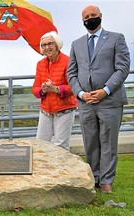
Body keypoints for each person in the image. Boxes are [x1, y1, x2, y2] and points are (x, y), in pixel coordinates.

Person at [67, 5, 130, 193]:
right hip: (86, 102)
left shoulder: (116, 38)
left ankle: (106, 181)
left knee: (109, 142)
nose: (90, 18)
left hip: (110, 101)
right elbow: (71, 73)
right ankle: (93, 177)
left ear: (100, 16)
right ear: (82, 20)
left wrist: (106, 90)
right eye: (86, 16)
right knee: (90, 142)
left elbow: (123, 68)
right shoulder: (76, 44)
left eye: (93, 15)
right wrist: (80, 93)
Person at [32, 31, 77, 151]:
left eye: (50, 44)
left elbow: (74, 86)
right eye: (43, 45)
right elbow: (35, 88)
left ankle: (63, 170)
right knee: (40, 145)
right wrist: (43, 90)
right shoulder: (40, 64)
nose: (47, 47)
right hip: (45, 110)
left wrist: (56, 89)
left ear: (57, 44)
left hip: (64, 110)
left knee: (61, 147)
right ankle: (43, 170)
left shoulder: (68, 61)